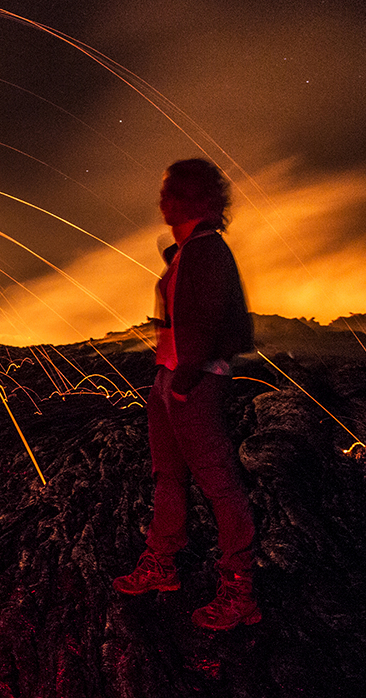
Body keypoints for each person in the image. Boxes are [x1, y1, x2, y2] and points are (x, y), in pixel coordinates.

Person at [112, 158, 259, 630]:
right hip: (171, 377)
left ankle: (240, 590)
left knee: (219, 482)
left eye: (170, 191)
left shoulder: (208, 251)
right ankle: (162, 564)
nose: (162, 200)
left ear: (193, 198)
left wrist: (189, 377)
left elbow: (227, 324)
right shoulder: (188, 251)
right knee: (168, 475)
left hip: (191, 382)